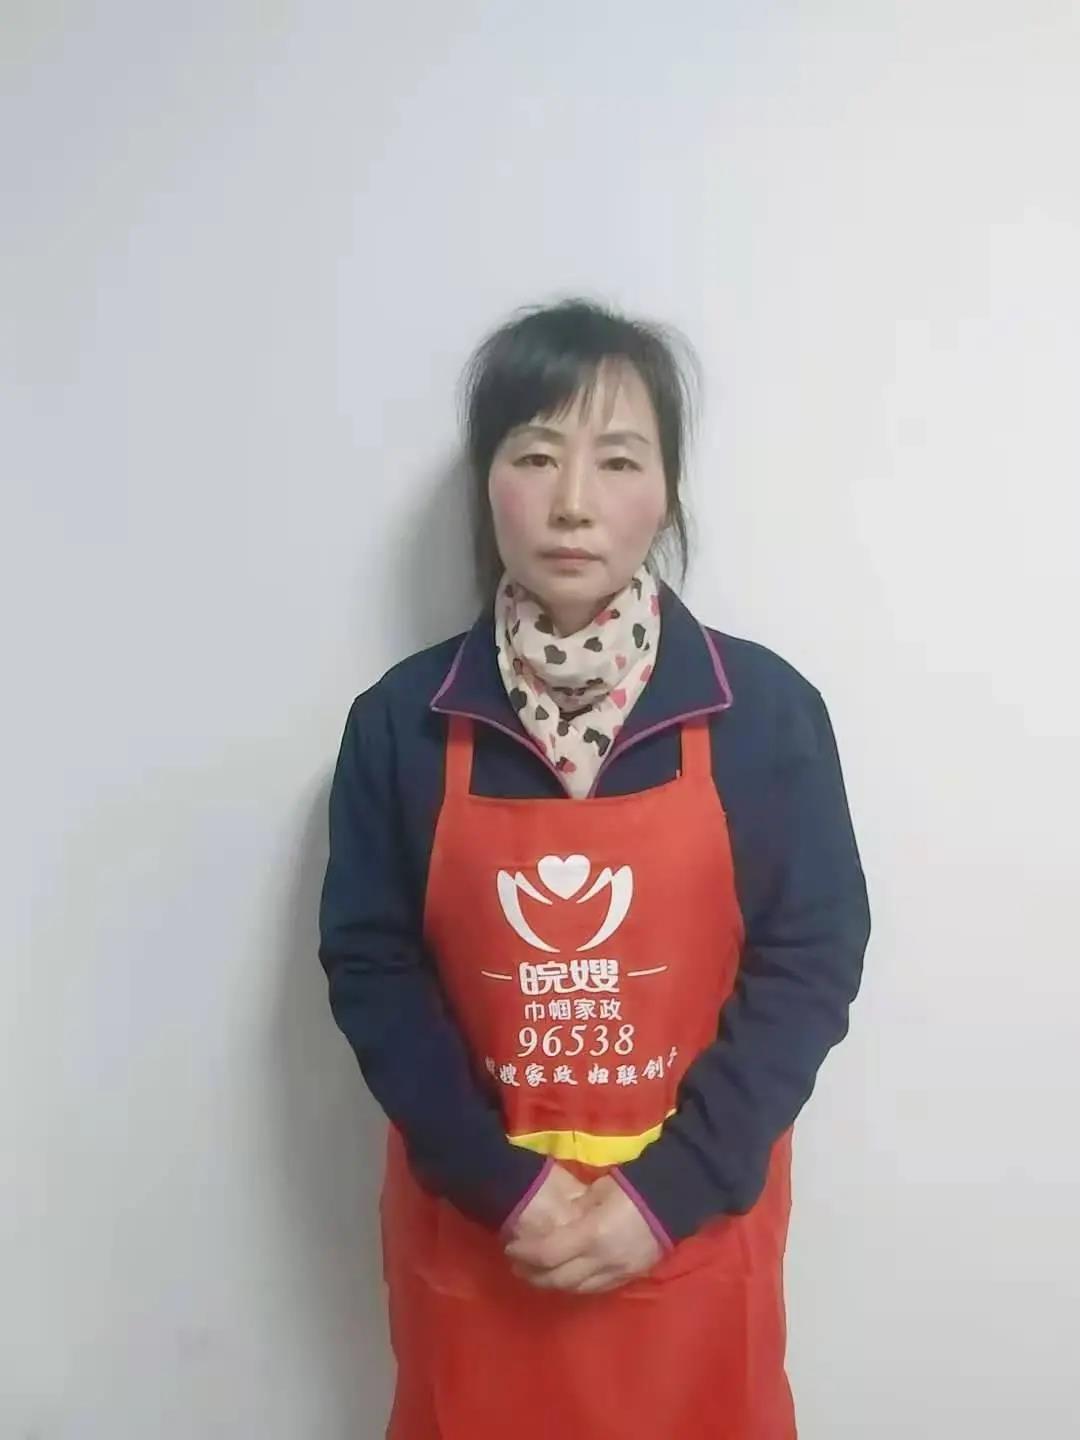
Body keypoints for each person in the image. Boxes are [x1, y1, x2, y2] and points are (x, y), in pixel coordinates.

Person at [318, 298, 871, 1439]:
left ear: (665, 491)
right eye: (535, 456)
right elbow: (372, 972)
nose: (573, 500)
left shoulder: (764, 716)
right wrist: (505, 1188)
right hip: (480, 1250)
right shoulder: (402, 726)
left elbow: (811, 964)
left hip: (692, 1248)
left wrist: (663, 1198)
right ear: (489, 483)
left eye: (618, 459)